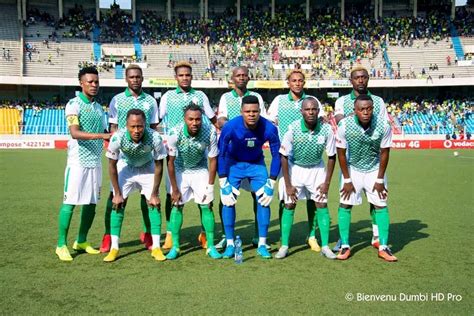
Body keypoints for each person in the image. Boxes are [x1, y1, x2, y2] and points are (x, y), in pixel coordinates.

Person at [100, 64, 159, 253]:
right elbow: (113, 128)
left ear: (142, 78)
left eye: (138, 77)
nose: (135, 80)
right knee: (114, 197)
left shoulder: (150, 101)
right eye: (131, 77)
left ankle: (148, 233)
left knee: (147, 198)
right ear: (126, 79)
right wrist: (118, 149)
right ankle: (108, 235)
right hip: (124, 159)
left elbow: (153, 128)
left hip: (145, 158)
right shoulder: (117, 100)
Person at [159, 61, 218, 250]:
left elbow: (213, 119)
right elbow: (156, 120)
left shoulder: (200, 96)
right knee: (172, 197)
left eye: (188, 75)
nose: (185, 78)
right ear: (175, 77)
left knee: (207, 199)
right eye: (181, 75)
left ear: (192, 76)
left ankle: (204, 234)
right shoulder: (168, 96)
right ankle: (170, 233)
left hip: (198, 154)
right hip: (177, 151)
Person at [55, 67, 110, 261]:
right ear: (81, 83)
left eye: (96, 82)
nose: (94, 85)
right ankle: (61, 244)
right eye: (90, 82)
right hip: (78, 161)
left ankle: (81, 240)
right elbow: (75, 133)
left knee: (91, 203)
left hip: (96, 161)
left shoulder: (98, 107)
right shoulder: (73, 104)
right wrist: (102, 136)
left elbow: (106, 130)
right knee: (70, 202)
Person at [267, 69, 324, 253]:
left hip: (310, 156)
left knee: (312, 200)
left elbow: (321, 122)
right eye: (294, 80)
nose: (297, 83)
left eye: (300, 80)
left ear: (304, 82)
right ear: (288, 83)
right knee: (286, 199)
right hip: (287, 158)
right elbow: (269, 122)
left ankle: (312, 236)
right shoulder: (279, 101)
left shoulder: (312, 101)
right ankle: (285, 239)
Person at [333, 65, 389, 252]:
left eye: (364, 77)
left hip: (373, 159)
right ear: (351, 81)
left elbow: (381, 126)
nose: (361, 80)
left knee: (376, 201)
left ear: (368, 79)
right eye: (357, 77)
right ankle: (344, 240)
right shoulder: (341, 100)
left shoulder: (379, 102)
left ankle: (376, 236)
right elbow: (341, 120)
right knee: (346, 201)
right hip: (350, 161)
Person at [218, 95, 281, 259]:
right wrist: (223, 181)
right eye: (247, 111)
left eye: (255, 111)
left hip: (256, 164)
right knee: (228, 200)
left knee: (264, 199)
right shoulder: (230, 127)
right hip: (234, 163)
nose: (251, 114)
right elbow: (221, 154)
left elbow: (276, 156)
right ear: (241, 112)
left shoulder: (269, 128)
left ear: (260, 111)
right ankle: (230, 244)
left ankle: (262, 244)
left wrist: (271, 182)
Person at [336, 94, 397, 262]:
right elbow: (340, 153)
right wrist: (347, 180)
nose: (365, 112)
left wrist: (379, 179)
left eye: (369, 109)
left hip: (374, 169)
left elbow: (385, 152)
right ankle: (345, 246)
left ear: (373, 109)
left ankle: (383, 247)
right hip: (352, 168)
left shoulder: (383, 125)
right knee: (345, 203)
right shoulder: (344, 125)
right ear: (354, 111)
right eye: (361, 109)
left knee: (381, 204)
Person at [277, 97, 337, 259]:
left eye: (314, 109)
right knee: (289, 205)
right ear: (301, 111)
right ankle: (284, 246)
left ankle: (325, 246)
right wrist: (288, 184)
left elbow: (332, 156)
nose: (311, 112)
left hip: (317, 168)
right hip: (295, 168)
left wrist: (327, 182)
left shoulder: (326, 130)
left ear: (318, 111)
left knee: (321, 204)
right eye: (307, 109)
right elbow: (283, 156)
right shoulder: (293, 129)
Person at [103, 109, 167, 262]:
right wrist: (117, 193)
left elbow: (159, 166)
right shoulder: (118, 137)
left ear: (145, 125)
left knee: (153, 203)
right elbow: (112, 166)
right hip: (127, 167)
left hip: (147, 167)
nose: (136, 130)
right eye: (132, 126)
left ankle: (156, 247)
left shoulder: (155, 138)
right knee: (117, 203)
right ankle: (114, 248)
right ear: (126, 125)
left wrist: (155, 193)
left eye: (140, 126)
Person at [216, 66, 267, 250]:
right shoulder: (225, 97)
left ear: (249, 77)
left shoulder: (256, 97)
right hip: (232, 155)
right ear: (233, 78)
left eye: (244, 75)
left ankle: (257, 234)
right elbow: (221, 120)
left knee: (259, 196)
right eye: (238, 75)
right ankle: (225, 235)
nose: (241, 78)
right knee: (226, 197)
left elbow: (263, 119)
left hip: (253, 155)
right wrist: (236, 127)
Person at [165, 104, 221, 260]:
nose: (194, 123)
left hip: (200, 169)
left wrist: (210, 186)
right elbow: (169, 162)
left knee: (207, 205)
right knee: (177, 206)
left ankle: (210, 246)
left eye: (198, 119)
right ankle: (175, 247)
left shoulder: (209, 131)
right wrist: (174, 188)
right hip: (179, 170)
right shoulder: (174, 133)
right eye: (191, 119)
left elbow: (213, 159)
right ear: (185, 119)